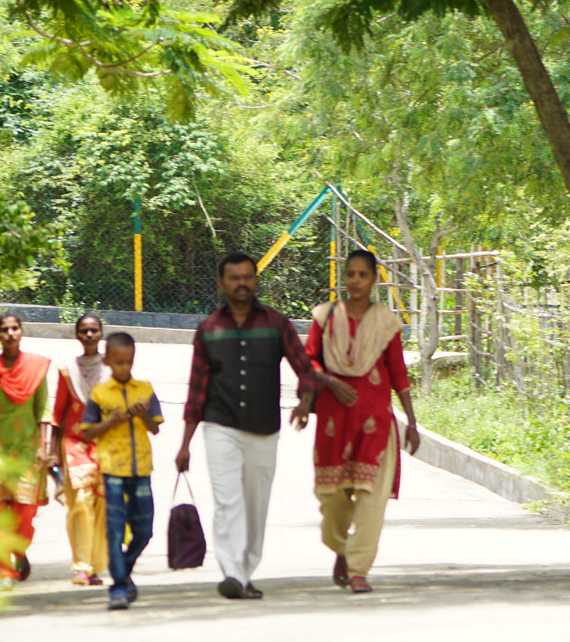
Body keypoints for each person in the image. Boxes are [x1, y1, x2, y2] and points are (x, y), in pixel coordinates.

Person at [173, 251, 341, 600]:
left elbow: (305, 368)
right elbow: (197, 389)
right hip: (220, 425)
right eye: (234, 278)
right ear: (221, 284)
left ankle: (245, 570)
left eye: (248, 276)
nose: (242, 283)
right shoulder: (208, 330)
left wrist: (306, 401)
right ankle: (232, 572)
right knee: (227, 499)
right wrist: (185, 443)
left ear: (256, 280)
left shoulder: (275, 323)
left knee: (255, 502)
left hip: (264, 428)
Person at [300, 248, 422, 593]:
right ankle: (341, 548)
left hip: (375, 425)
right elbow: (309, 361)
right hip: (333, 422)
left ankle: (358, 570)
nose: (355, 281)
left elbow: (398, 373)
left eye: (362, 275)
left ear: (373, 279)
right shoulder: (324, 317)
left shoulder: (386, 322)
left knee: (372, 501)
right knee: (331, 497)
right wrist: (329, 385)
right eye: (350, 274)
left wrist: (411, 422)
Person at [79, 332, 164, 611]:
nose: (124, 367)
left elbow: (155, 427)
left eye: (128, 362)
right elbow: (88, 433)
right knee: (115, 532)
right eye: (118, 362)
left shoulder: (146, 389)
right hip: (112, 468)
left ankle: (124, 569)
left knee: (144, 530)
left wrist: (142, 416)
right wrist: (112, 420)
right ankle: (117, 588)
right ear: (107, 361)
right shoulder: (99, 394)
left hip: (140, 467)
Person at [0, 311, 53, 586]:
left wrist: (44, 445)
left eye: (15, 328)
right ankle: (5, 571)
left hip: (27, 447)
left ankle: (18, 551)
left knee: (24, 510)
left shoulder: (37, 368)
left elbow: (43, 408)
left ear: (21, 332)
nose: (10, 333)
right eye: (4, 329)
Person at [50, 312, 109, 586]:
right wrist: (50, 450)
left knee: (102, 505)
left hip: (105, 445)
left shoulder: (111, 369)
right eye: (84, 331)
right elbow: (58, 411)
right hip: (73, 444)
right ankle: (82, 567)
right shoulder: (67, 370)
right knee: (81, 504)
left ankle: (96, 566)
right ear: (77, 335)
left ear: (101, 334)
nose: (89, 335)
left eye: (93, 331)